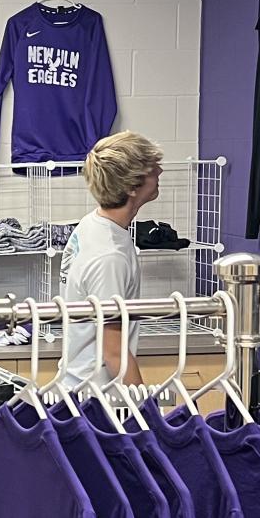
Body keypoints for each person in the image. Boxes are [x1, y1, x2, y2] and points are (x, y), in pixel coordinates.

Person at [57, 131, 163, 389]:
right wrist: (145, 415)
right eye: (151, 169)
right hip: (97, 398)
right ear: (131, 186)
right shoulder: (110, 256)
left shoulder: (92, 224)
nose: (160, 171)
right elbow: (114, 352)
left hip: (76, 385)